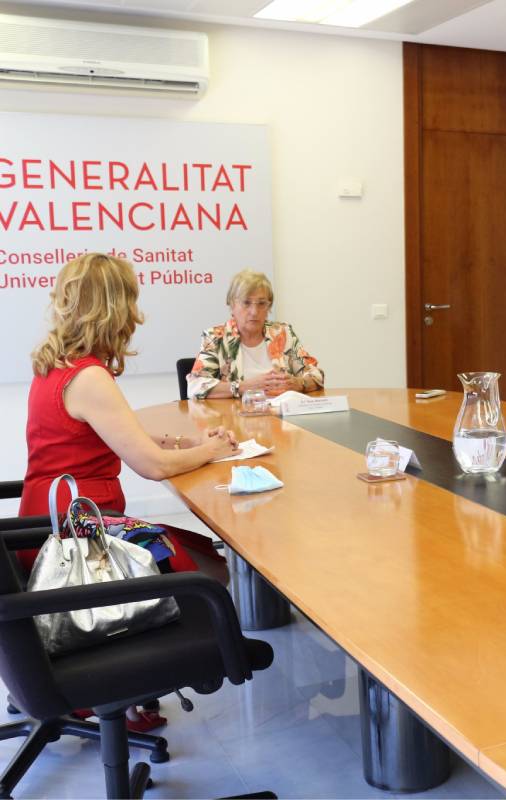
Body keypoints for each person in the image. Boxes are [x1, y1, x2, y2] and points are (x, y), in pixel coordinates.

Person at [20, 253, 241, 731]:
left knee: (190, 553)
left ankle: (135, 689)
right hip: (82, 534)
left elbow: (109, 433)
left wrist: (170, 440)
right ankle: (131, 680)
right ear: (115, 309)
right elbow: (153, 467)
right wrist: (209, 450)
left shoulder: (56, 365)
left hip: (48, 521)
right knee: (207, 566)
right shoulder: (90, 376)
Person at [187, 269, 323, 399]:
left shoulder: (282, 333)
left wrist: (299, 384)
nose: (254, 311)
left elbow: (316, 375)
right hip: (235, 418)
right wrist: (242, 387)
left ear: (269, 307)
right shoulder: (215, 338)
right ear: (232, 305)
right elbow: (196, 386)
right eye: (246, 303)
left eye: (261, 303)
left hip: (280, 417)